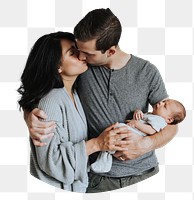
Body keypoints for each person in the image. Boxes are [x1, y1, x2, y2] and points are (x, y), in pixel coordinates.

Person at [25, 8, 178, 193]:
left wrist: (145, 145)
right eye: (77, 50)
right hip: (96, 178)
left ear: (111, 51)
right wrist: (29, 114)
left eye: (87, 53)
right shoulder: (81, 70)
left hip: (145, 172)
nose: (82, 56)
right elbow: (43, 85)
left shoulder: (147, 71)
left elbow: (171, 122)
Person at [17, 32, 132, 192]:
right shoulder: (51, 101)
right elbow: (51, 162)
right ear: (56, 66)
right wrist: (97, 144)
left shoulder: (74, 92)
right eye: (72, 53)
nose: (81, 55)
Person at [91, 99, 186, 173]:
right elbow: (143, 119)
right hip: (133, 131)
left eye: (164, 106)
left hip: (136, 135)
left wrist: (136, 124)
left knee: (119, 128)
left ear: (169, 119)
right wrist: (138, 112)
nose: (160, 103)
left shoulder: (159, 120)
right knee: (116, 132)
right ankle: (105, 156)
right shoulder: (152, 115)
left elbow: (151, 131)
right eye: (164, 101)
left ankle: (106, 156)